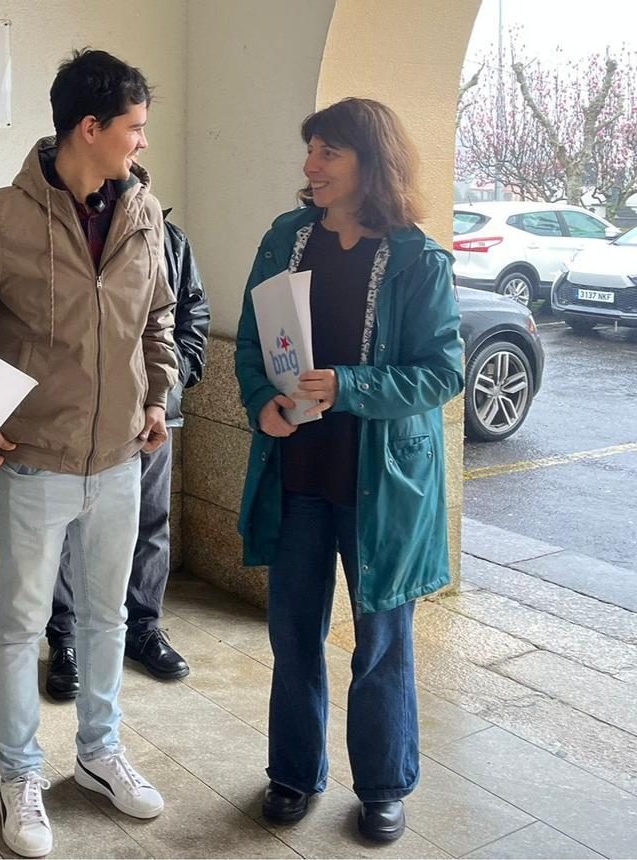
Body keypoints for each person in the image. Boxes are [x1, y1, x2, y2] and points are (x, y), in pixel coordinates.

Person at [0, 49, 177, 858]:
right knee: (21, 624)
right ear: (90, 128)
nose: (143, 143)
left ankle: (101, 756)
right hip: (34, 460)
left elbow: (160, 317)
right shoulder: (2, 217)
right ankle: (20, 774)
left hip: (118, 459)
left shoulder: (144, 210)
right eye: (134, 129)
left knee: (109, 617)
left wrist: (156, 396)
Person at [234, 98, 464, 843]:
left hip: (382, 490)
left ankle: (384, 786)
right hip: (295, 476)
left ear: (372, 161)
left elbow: (441, 373)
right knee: (293, 635)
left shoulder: (418, 260)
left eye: (328, 152)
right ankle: (293, 774)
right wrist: (262, 403)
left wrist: (351, 387)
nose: (311, 166)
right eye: (312, 151)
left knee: (382, 645)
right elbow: (251, 345)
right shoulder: (285, 239)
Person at [45, 211, 209, 697]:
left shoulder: (168, 237)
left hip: (153, 416)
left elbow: (192, 314)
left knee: (151, 521)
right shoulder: (65, 236)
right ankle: (65, 638)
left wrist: (172, 382)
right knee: (70, 528)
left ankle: (144, 627)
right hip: (79, 418)